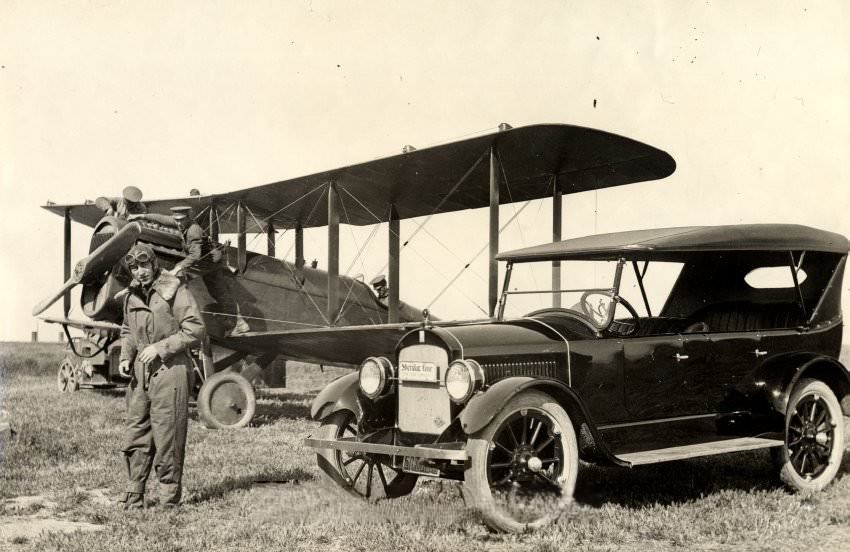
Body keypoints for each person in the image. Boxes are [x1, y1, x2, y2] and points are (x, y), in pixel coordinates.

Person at [117, 243, 204, 508]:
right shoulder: (131, 295)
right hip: (141, 372)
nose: (139, 272)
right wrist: (125, 356)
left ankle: (168, 499)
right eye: (134, 267)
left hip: (171, 368)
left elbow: (195, 328)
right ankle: (134, 493)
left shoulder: (175, 289)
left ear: (154, 265)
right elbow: (127, 331)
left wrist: (160, 347)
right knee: (137, 430)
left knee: (168, 433)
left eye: (144, 265)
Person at [169, 205, 250, 336]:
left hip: (209, 265)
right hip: (204, 265)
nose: (178, 223)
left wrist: (178, 267)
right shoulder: (183, 225)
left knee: (220, 293)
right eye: (176, 220)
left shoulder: (193, 230)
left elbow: (195, 255)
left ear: (188, 218)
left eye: (181, 220)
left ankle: (239, 325)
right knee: (217, 293)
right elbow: (165, 219)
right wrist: (142, 216)